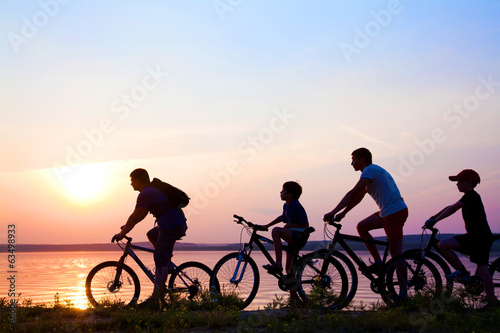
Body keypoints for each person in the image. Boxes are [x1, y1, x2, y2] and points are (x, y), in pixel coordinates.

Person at [323, 148, 409, 275]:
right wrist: (343, 213)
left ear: (362, 160)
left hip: (394, 213)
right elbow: (358, 197)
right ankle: (378, 263)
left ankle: (403, 292)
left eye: (353, 159)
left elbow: (352, 193)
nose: (351, 163)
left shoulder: (370, 170)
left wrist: (333, 211)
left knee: (396, 254)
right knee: (362, 227)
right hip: (386, 212)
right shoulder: (370, 173)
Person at [111, 168, 188, 309]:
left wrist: (121, 234)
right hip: (174, 223)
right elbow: (142, 214)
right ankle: (167, 264)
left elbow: (135, 216)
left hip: (171, 226)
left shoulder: (146, 193)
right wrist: (127, 226)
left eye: (132, 180)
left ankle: (155, 300)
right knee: (152, 235)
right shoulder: (149, 191)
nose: (130, 184)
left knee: (159, 259)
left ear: (138, 180)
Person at [426, 169, 498, 307]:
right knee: (480, 270)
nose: (457, 184)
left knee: (444, 245)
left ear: (469, 182)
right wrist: (433, 218)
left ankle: (492, 301)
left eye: (459, 181)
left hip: (479, 238)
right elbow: (450, 206)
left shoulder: (471, 196)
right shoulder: (468, 196)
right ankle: (465, 274)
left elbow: (453, 209)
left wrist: (435, 221)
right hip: (475, 237)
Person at [258, 181, 309, 274]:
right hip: (292, 238)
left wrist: (291, 225)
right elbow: (282, 218)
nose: (280, 193)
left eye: (283, 191)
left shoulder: (296, 205)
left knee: (276, 231)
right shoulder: (286, 206)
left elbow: (305, 224)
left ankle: (278, 264)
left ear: (290, 194)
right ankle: (293, 286)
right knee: (289, 270)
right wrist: (267, 225)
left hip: (299, 237)